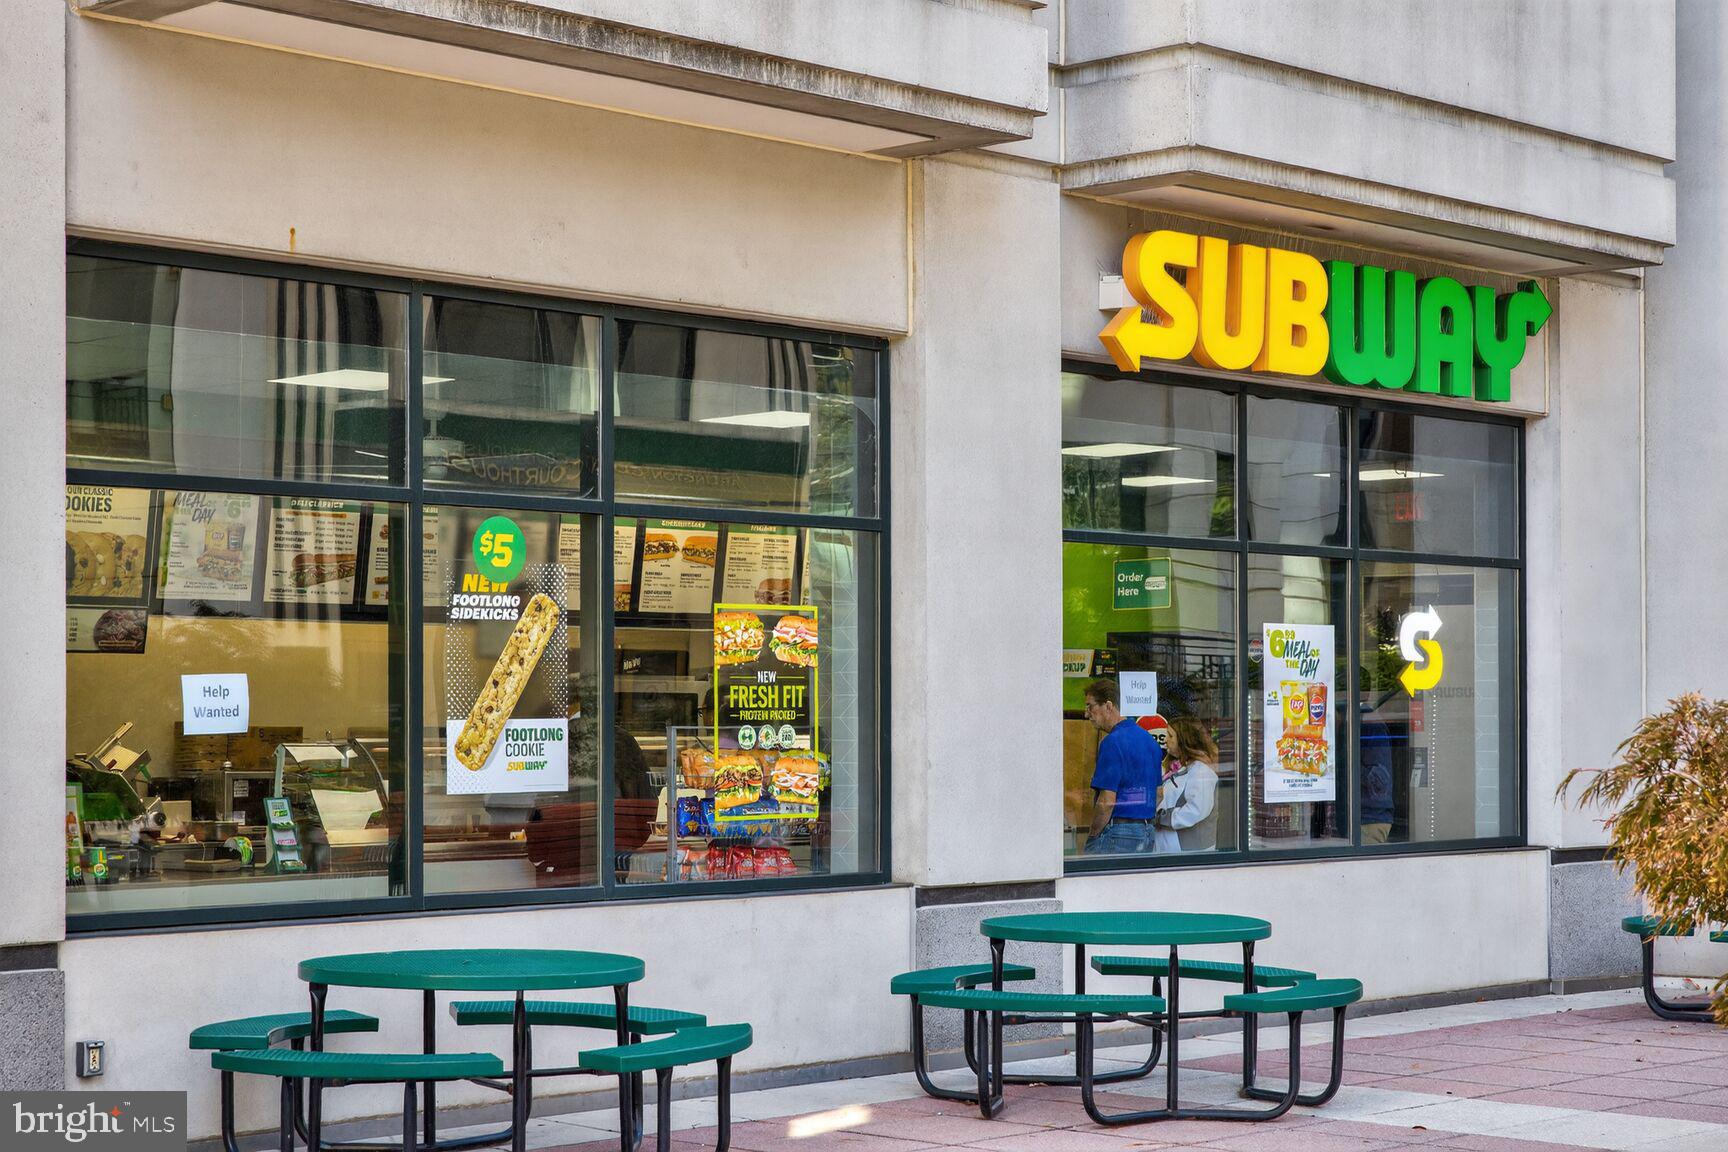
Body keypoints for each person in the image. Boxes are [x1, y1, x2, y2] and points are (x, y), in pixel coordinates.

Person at [1082, 679, 1163, 855]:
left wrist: (1093, 834)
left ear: (1108, 706)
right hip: (1147, 831)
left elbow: (1107, 801)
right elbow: (1158, 795)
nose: (1086, 714)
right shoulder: (1150, 741)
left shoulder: (1112, 742)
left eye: (1090, 707)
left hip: (1117, 832)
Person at [1155, 717, 1220, 852]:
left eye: (1170, 735)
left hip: (1190, 853)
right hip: (1170, 848)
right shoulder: (1177, 767)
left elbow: (1197, 810)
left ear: (1184, 740)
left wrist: (1164, 818)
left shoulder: (1201, 771)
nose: (1165, 739)